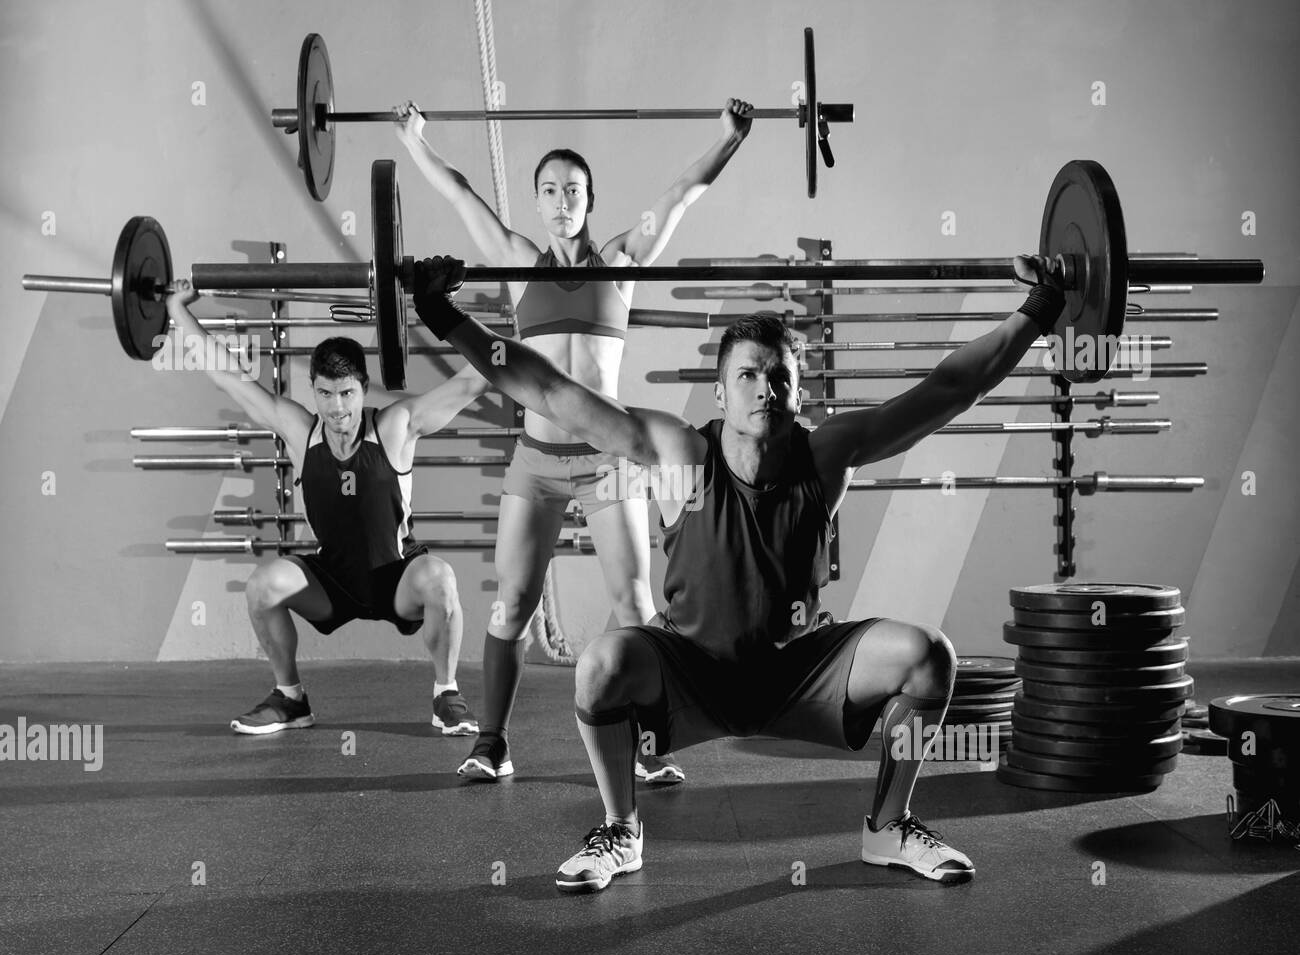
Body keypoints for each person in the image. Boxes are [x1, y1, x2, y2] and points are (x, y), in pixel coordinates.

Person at [409, 252, 1067, 888]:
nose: (765, 388)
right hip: (692, 672)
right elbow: (551, 389)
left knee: (929, 657)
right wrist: (444, 315)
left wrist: (1037, 311)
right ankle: (620, 829)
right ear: (720, 391)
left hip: (801, 671)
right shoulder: (678, 454)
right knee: (600, 665)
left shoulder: (828, 452)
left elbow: (949, 388)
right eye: (748, 375)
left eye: (779, 376)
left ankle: (888, 825)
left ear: (798, 389)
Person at [394, 99, 754, 785]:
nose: (562, 201)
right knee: (512, 603)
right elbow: (461, 192)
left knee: (636, 604)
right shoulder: (516, 261)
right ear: (536, 204)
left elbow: (681, 196)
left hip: (608, 464)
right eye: (550, 192)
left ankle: (653, 742)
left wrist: (729, 139)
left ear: (590, 202)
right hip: (535, 463)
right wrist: (415, 142)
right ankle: (492, 743)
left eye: (573, 191)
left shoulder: (619, 260)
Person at [166, 281, 491, 736]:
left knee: (440, 578)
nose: (337, 408)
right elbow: (227, 377)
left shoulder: (396, 426)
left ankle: (446, 695)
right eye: (325, 394)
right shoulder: (300, 430)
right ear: (314, 392)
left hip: (396, 577)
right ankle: (291, 699)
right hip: (332, 580)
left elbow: (476, 379)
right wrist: (176, 309)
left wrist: (533, 329)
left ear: (362, 388)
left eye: (347, 394)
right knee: (262, 587)